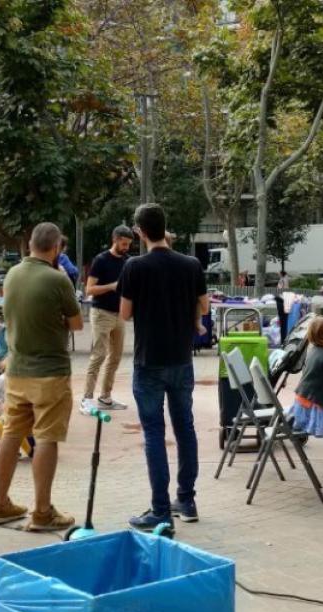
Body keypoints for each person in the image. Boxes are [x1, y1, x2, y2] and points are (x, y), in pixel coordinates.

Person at [120, 203, 208, 533]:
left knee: (154, 432)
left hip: (149, 360)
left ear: (139, 232)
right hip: (182, 359)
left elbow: (125, 314)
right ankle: (186, 500)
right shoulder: (191, 264)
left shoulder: (135, 266)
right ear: (164, 227)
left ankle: (160, 509)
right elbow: (204, 305)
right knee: (185, 427)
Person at [0, 223, 84, 530]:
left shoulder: (12, 274)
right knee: (46, 437)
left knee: (11, 434)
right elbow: (76, 324)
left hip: (17, 369)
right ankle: (42, 512)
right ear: (56, 248)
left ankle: (1, 504)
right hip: (50, 372)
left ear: (30, 243)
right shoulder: (58, 279)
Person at [81, 226, 135, 414]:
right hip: (101, 313)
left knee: (116, 356)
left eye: (128, 244)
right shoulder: (101, 260)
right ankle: (86, 398)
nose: (126, 247)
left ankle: (105, 396)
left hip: (119, 314)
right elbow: (89, 289)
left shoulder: (127, 261)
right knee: (99, 354)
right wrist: (112, 286)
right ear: (115, 239)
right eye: (124, 243)